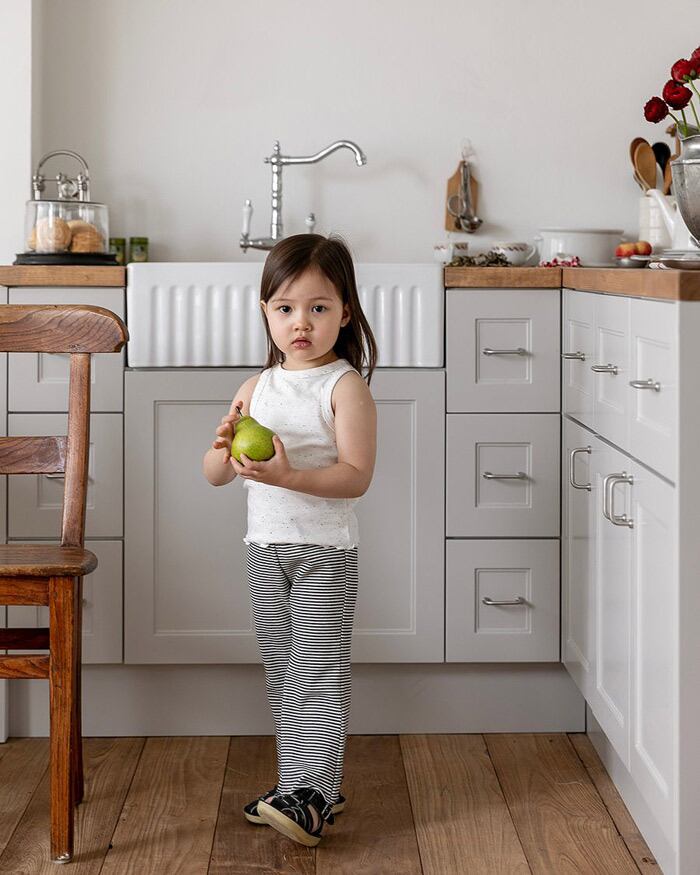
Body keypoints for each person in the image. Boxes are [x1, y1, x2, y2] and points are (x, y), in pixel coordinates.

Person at [202, 233, 378, 847]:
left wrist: (288, 477)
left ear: (345, 313)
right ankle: (298, 786)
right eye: (285, 308)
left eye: (318, 307)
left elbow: (356, 477)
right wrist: (224, 445)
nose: (300, 322)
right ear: (266, 312)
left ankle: (314, 793)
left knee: (317, 673)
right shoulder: (256, 388)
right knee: (283, 668)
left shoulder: (344, 386)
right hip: (265, 547)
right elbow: (215, 474)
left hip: (325, 552)